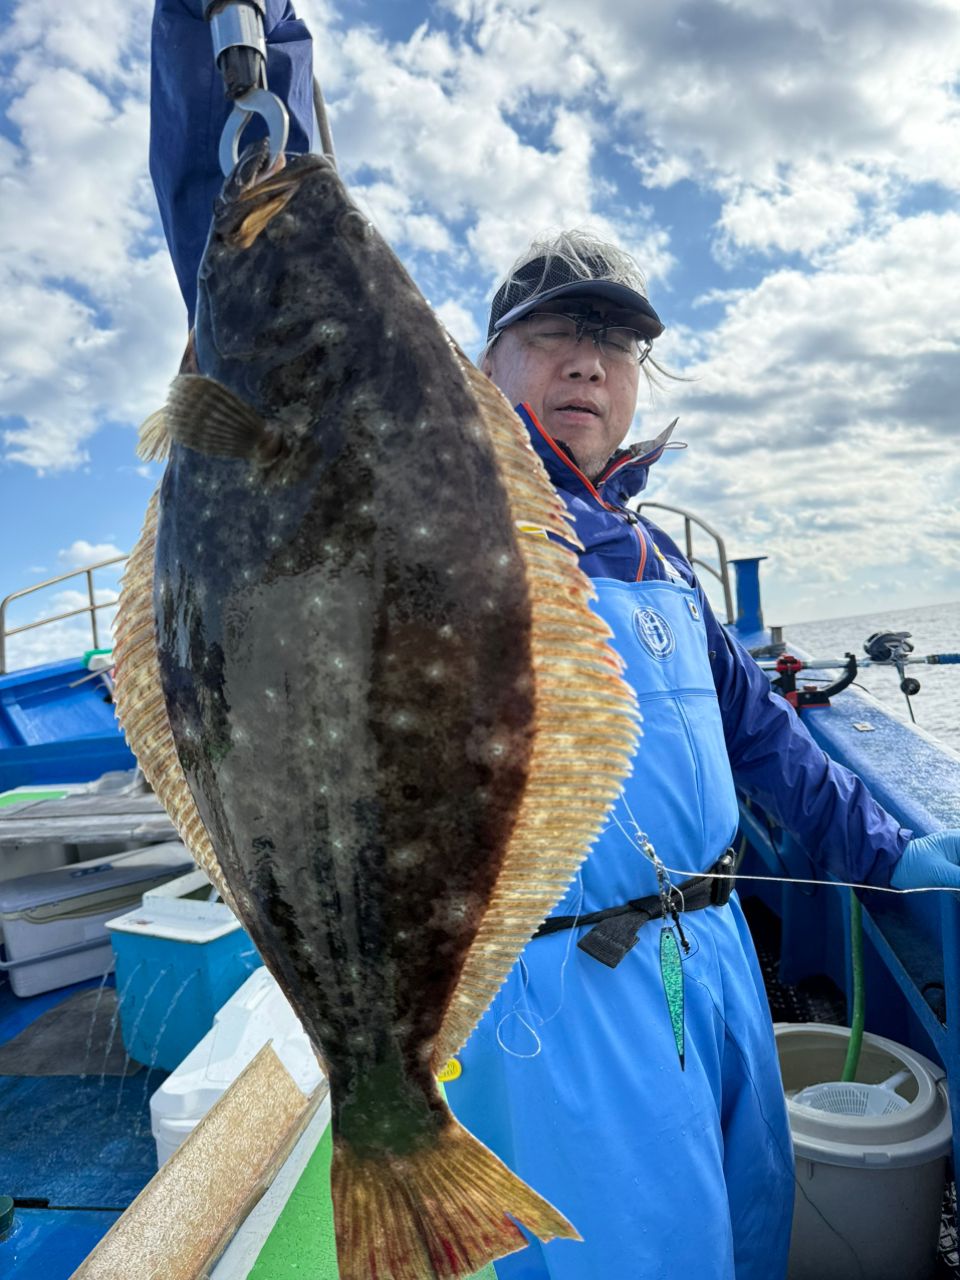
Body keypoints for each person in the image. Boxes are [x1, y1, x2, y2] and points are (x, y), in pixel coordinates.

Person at [149, 4, 960, 1276]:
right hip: (560, 994)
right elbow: (235, 206)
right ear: (480, 364)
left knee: (746, 1239)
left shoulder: (658, 553)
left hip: (719, 969)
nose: (586, 366)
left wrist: (904, 857)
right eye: (552, 339)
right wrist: (261, 50)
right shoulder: (428, 493)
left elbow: (765, 743)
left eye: (614, 346)